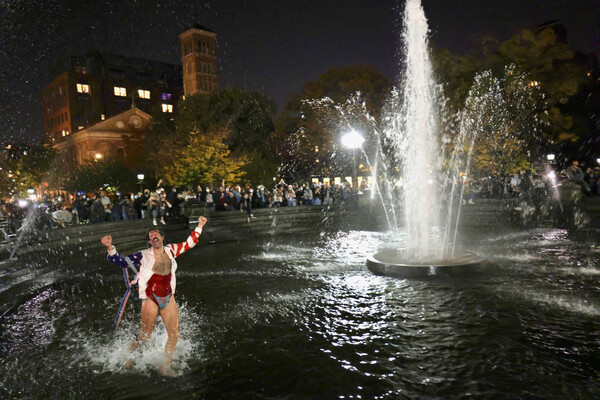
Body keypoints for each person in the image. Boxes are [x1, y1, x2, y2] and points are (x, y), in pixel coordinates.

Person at [101, 216, 207, 374]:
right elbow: (122, 262)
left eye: (155, 234)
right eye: (150, 237)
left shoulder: (171, 250)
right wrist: (110, 247)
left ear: (162, 237)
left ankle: (165, 365)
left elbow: (189, 243)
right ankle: (128, 354)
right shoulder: (142, 255)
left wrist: (200, 225)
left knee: (174, 333)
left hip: (168, 297)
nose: (153, 237)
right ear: (150, 242)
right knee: (145, 335)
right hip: (150, 298)